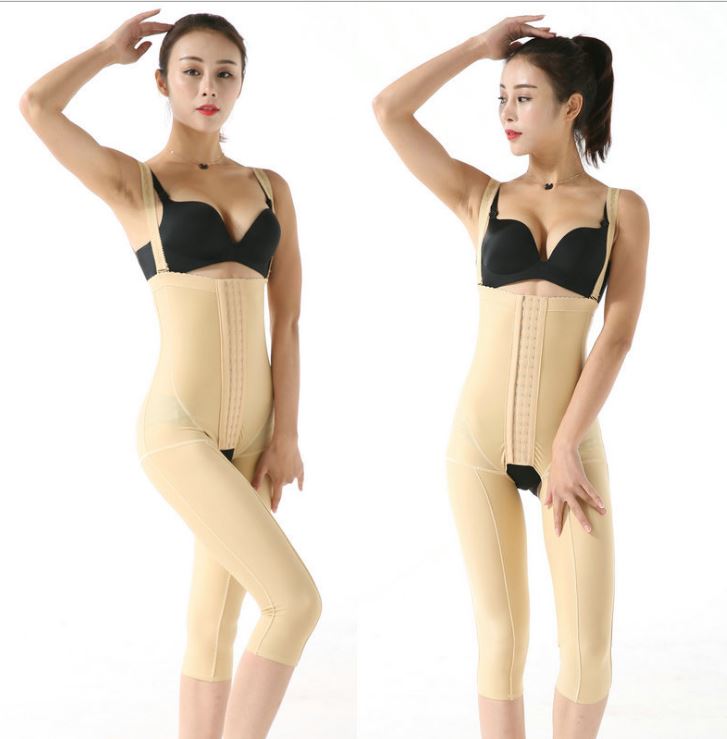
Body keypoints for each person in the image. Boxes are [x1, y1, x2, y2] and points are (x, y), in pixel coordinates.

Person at [19, 10, 322, 739]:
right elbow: (36, 106)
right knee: (294, 603)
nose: (208, 86)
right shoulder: (136, 182)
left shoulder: (272, 187)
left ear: (242, 84)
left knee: (213, 627)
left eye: (224, 73)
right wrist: (105, 51)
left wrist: (285, 435)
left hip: (256, 437)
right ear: (162, 82)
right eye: (191, 71)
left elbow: (286, 321)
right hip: (177, 428)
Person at [373, 13, 648, 739]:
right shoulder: (481, 196)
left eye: (524, 97)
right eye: (501, 97)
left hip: (570, 444)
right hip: (477, 443)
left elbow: (617, 335)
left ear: (572, 106)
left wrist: (564, 445)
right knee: (500, 639)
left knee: (588, 649)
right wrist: (475, 47)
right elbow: (389, 110)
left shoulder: (620, 210)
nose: (506, 113)